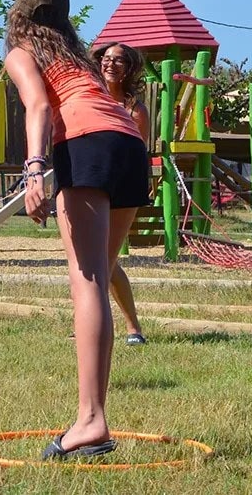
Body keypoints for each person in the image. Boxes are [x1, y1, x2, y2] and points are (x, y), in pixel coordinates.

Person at [4, 0, 149, 460]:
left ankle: (90, 421)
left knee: (85, 283)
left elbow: (40, 105)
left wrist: (34, 172)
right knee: (101, 273)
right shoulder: (77, 58)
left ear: (19, 12)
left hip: (86, 145)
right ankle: (94, 416)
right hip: (128, 144)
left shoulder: (23, 53)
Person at [92, 41, 150, 345]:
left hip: (124, 186)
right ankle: (125, 328)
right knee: (99, 261)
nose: (110, 64)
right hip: (93, 184)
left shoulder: (135, 109)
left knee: (105, 260)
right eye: (106, 58)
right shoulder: (91, 98)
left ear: (129, 69)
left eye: (118, 61)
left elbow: (139, 151)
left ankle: (127, 329)